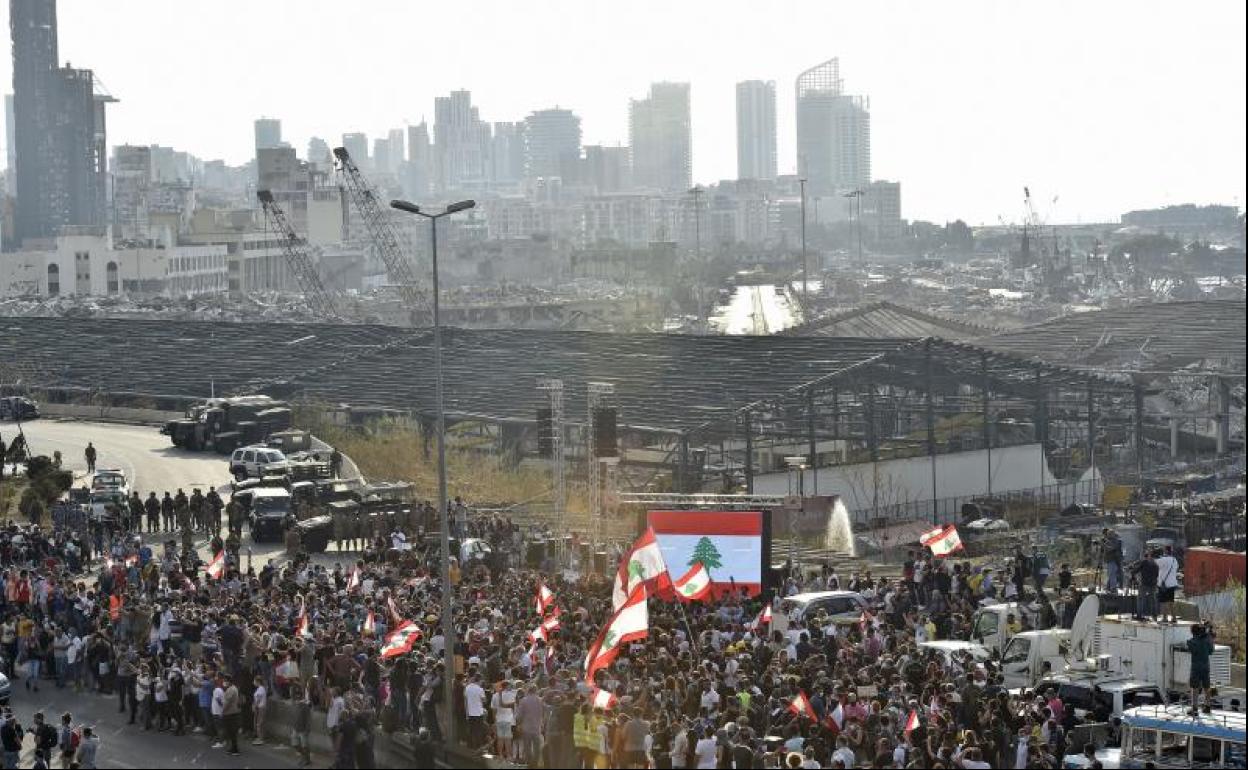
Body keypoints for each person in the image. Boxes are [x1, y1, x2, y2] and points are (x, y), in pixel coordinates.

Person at [1186, 622, 1215, 715]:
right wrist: (1207, 636)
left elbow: (1191, 648)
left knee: (1195, 687)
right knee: (1207, 686)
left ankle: (1194, 709)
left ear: (1193, 632)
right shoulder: (1206, 640)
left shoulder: (1191, 642)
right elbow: (1211, 651)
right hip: (1206, 666)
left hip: (1196, 667)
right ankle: (1207, 706)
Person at [1131, 549, 1160, 621]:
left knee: (1140, 599)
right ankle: (1154, 615)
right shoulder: (1156, 564)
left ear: (1150, 555)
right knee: (1153, 600)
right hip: (1153, 584)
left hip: (1144, 583)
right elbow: (1157, 575)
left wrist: (1132, 572)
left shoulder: (1144, 562)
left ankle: (1139, 615)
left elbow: (1136, 570)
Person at [1155, 546, 1180, 624]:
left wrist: (1153, 554)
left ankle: (1165, 618)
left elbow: (1155, 563)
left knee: (1163, 602)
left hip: (1164, 585)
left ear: (1165, 551)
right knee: (1171, 601)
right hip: (1172, 584)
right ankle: (1174, 618)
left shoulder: (1163, 560)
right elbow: (1176, 568)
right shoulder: (1174, 560)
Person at [1101, 529, 1124, 593]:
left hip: (1114, 559)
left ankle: (1113, 587)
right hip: (1112, 559)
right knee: (1112, 573)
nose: (1108, 535)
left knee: (1113, 573)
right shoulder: (1111, 540)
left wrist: (1104, 544)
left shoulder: (1116, 541)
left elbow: (1112, 548)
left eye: (1109, 534)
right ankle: (1110, 586)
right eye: (1108, 534)